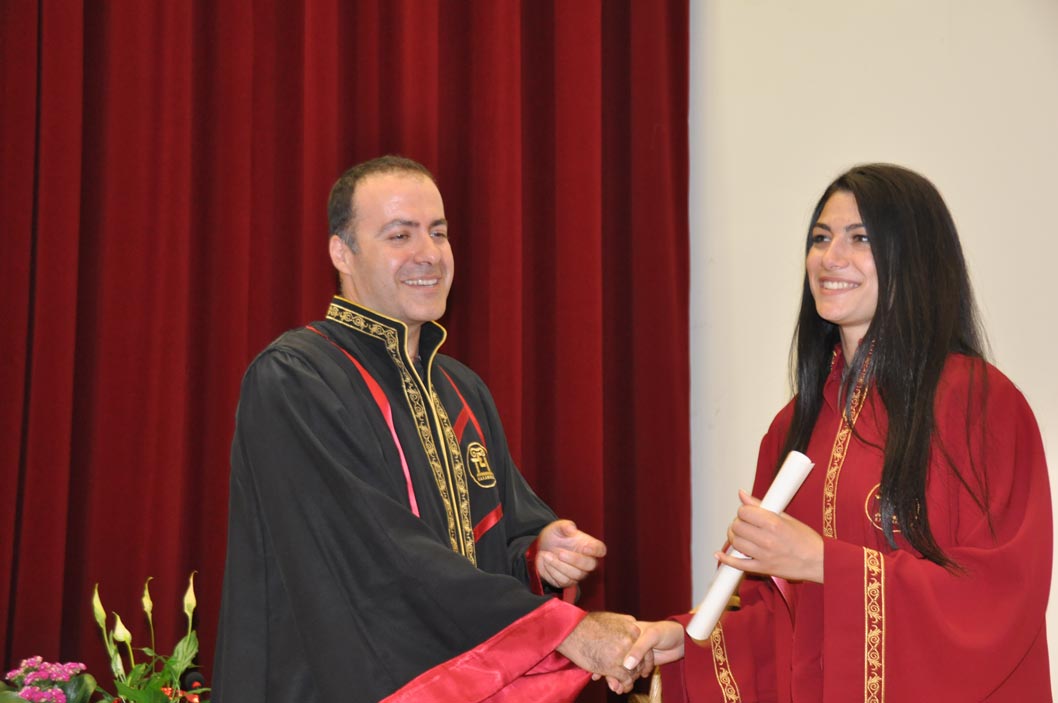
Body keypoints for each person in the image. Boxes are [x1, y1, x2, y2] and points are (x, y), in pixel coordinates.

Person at [212, 155, 651, 701]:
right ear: (342, 252)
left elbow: (499, 540)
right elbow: (377, 554)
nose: (429, 254)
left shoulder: (462, 390)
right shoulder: (295, 378)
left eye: (438, 232)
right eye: (400, 235)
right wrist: (565, 631)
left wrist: (538, 553)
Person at [623, 164, 1052, 701]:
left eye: (861, 238)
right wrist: (688, 641)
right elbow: (785, 625)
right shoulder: (792, 428)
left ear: (916, 257)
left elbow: (999, 597)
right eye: (821, 238)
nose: (830, 257)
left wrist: (821, 561)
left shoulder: (980, 405)